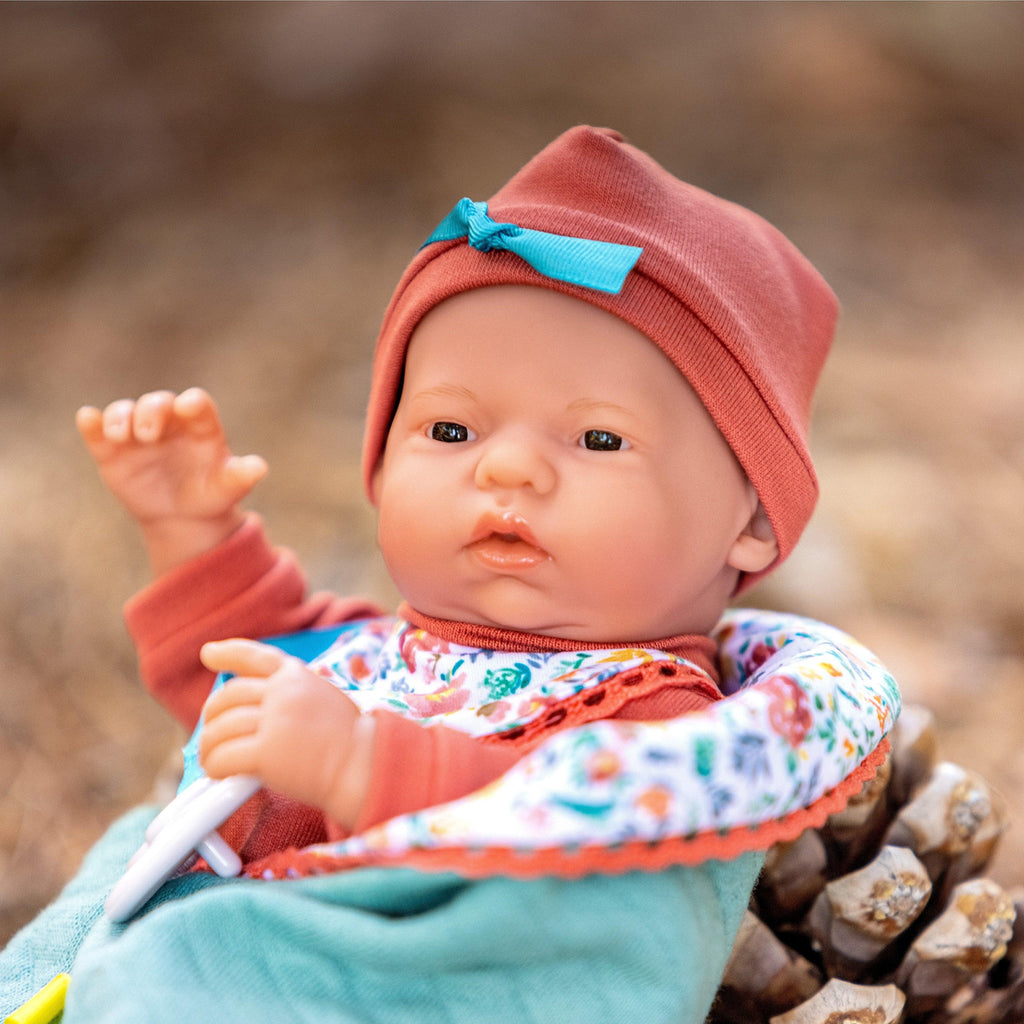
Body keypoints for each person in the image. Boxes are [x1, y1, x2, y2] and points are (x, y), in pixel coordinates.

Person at [4, 127, 878, 1023]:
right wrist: (190, 531)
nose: (507, 471)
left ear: (756, 521)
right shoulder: (384, 655)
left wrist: (360, 766)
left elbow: (561, 816)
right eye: (451, 432)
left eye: (599, 440)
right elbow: (253, 670)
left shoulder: (661, 721)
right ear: (380, 465)